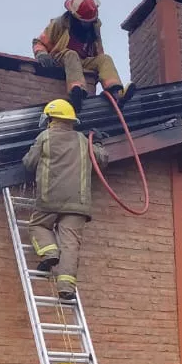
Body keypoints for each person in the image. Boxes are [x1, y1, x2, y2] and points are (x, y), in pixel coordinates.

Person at [20, 99, 108, 300]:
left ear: (51, 119)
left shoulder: (45, 137)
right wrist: (98, 142)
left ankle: (50, 253)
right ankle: (66, 287)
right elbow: (102, 159)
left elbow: (29, 163)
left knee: (37, 225)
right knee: (70, 244)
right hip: (78, 203)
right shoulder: (82, 140)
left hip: (49, 198)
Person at [33, 0, 127, 111]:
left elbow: (99, 51)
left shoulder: (94, 28)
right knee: (71, 54)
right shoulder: (59, 24)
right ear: (75, 17)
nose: (87, 24)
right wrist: (41, 54)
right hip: (60, 59)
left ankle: (115, 91)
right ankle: (77, 92)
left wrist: (100, 72)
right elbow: (39, 42)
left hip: (81, 62)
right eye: (85, 22)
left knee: (105, 59)